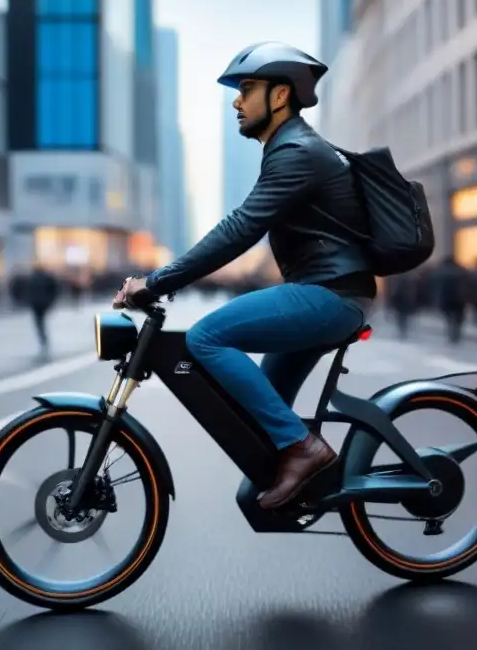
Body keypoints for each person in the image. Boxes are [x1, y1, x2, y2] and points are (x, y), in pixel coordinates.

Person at [114, 42, 375, 510]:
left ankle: (305, 450)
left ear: (279, 97)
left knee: (207, 336)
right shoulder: (291, 149)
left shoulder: (296, 152)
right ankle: (303, 472)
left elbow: (239, 229)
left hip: (330, 296)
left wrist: (156, 282)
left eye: (247, 89)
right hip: (326, 293)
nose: (236, 101)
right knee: (261, 423)